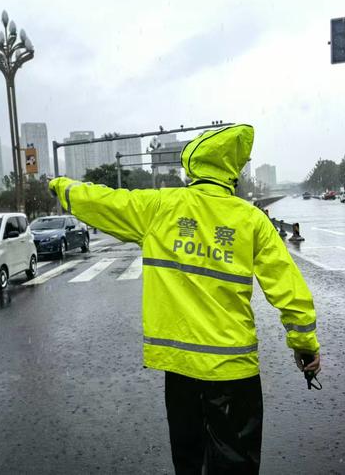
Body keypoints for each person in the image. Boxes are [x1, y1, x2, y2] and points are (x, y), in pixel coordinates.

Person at [48, 124, 320, 473]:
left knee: (189, 463)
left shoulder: (160, 207)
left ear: (193, 167)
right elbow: (290, 293)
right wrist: (305, 347)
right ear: (232, 172)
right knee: (236, 464)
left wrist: (61, 186)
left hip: (180, 373)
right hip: (233, 372)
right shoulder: (251, 220)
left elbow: (100, 201)